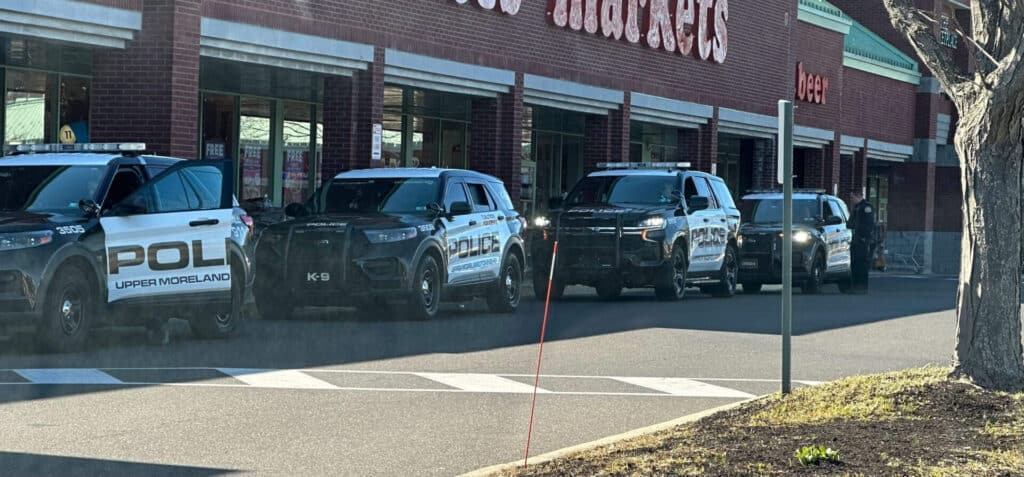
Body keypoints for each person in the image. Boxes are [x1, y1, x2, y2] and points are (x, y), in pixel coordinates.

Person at [848, 191, 876, 293]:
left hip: (863, 240)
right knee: (854, 263)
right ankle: (855, 286)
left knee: (862, 263)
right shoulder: (856, 208)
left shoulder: (866, 207)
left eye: (852, 197)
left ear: (858, 196)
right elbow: (850, 223)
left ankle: (862, 287)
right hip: (855, 239)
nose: (851, 200)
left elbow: (869, 224)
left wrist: (864, 237)